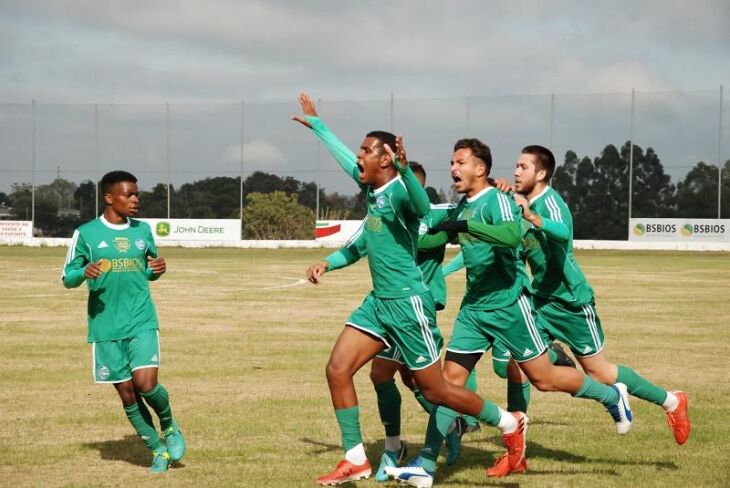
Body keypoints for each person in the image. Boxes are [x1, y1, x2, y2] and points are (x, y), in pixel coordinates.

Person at [294, 93, 529, 487]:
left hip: (408, 306)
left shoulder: (402, 191)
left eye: (366, 151)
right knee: (337, 369)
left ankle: (508, 422)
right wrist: (318, 126)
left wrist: (405, 171)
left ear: (385, 160)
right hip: (378, 305)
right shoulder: (372, 190)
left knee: (435, 389)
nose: (359, 157)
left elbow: (421, 209)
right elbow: (346, 176)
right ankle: (355, 459)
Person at [387, 138, 632, 484]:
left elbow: (512, 235)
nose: (453, 168)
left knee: (544, 379)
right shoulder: (460, 207)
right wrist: (401, 171)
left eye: (460, 162)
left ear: (481, 169)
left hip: (510, 307)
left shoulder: (498, 202)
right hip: (474, 309)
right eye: (451, 163)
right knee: (447, 385)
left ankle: (612, 396)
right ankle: (425, 465)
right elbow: (426, 214)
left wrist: (468, 226)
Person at [508, 144, 690, 444]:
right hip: (540, 301)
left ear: (541, 174)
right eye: (516, 165)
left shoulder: (549, 205)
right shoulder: (522, 205)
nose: (516, 171)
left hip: (570, 302)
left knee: (601, 374)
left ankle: (672, 401)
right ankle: (515, 448)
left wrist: (533, 218)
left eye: (523, 167)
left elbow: (564, 233)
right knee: (516, 366)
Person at [62, 170, 185, 473]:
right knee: (127, 392)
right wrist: (83, 273)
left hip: (141, 319)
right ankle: (158, 451)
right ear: (108, 197)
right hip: (105, 326)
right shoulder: (86, 233)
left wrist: (157, 269)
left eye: (136, 194)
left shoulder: (142, 231)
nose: (135, 199)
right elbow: (68, 277)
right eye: (128, 194)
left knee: (146, 383)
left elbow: (148, 270)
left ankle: (169, 426)